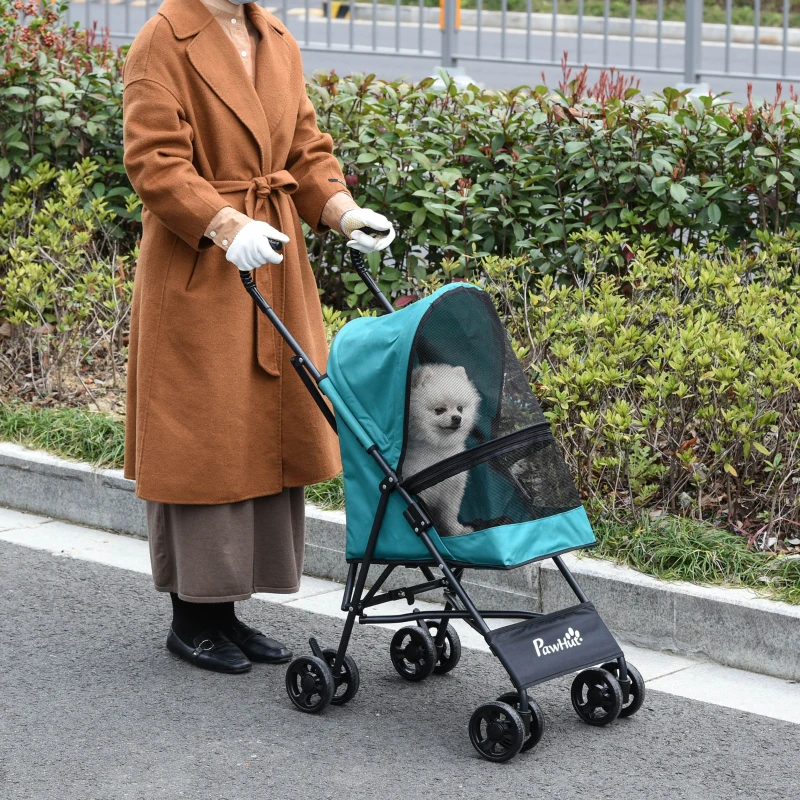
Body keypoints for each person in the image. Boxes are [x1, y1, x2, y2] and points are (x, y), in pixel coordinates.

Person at [122, 0, 395, 674]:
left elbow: (305, 149)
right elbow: (155, 163)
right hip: (201, 265)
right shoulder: (162, 38)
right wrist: (222, 224)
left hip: (271, 257)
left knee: (265, 430)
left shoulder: (274, 36)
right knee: (205, 435)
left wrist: (342, 210)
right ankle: (193, 618)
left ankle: (229, 612)